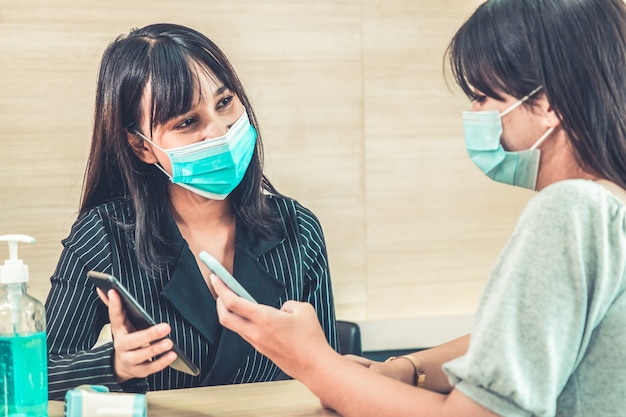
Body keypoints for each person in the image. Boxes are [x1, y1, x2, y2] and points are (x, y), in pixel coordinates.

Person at [211, 0, 626, 415]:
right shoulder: (610, 207)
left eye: (482, 96)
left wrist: (313, 363)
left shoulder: (571, 209)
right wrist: (409, 369)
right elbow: (521, 336)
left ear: (548, 103)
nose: (474, 114)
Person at [45, 23, 338, 400]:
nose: (220, 131)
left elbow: (338, 378)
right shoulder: (104, 235)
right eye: (187, 122)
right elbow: (35, 374)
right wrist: (114, 364)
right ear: (142, 146)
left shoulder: (299, 229)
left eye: (224, 103)